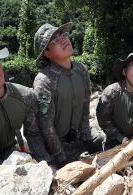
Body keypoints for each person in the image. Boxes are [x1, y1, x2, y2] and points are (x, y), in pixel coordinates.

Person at [32, 22, 102, 168]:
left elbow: (84, 108)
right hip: (57, 145)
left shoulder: (81, 70)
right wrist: (62, 158)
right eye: (55, 40)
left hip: (78, 136)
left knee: (109, 143)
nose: (63, 39)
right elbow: (46, 125)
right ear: (47, 53)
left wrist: (87, 138)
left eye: (63, 35)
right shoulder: (44, 81)